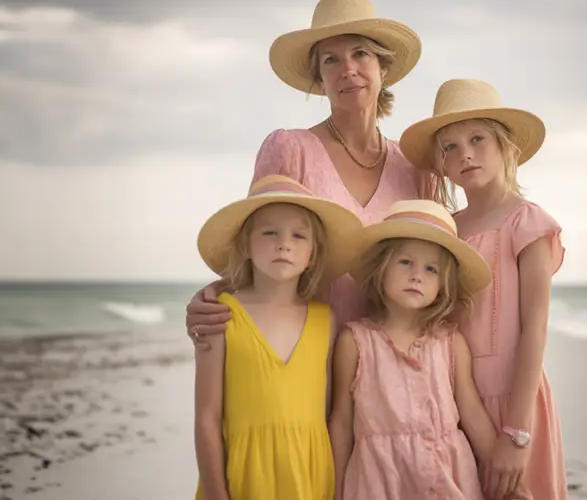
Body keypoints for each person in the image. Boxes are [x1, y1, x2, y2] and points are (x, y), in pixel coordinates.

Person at [185, 0, 433, 347]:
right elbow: (255, 248)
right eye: (331, 60)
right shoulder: (290, 149)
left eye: (360, 53)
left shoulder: (415, 168)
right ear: (320, 78)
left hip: (391, 364)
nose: (347, 69)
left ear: (384, 67)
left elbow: (437, 267)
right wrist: (211, 297)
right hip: (304, 353)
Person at [399, 79, 568, 499]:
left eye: (477, 139)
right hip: (454, 402)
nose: (464, 153)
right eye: (449, 147)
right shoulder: (446, 230)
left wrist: (517, 432)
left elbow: (535, 330)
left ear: (507, 147)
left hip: (515, 400)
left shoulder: (527, 223)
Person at [191, 174, 364, 500]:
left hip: (310, 480)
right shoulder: (221, 316)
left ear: (312, 254)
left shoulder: (324, 320)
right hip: (242, 479)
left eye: (299, 236)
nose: (284, 243)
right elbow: (206, 419)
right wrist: (216, 493)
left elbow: (330, 417)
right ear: (246, 245)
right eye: (269, 232)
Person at [329, 200, 498, 500]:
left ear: (442, 287)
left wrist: (499, 467)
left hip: (448, 476)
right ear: (381, 269)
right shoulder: (355, 341)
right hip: (380, 481)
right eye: (405, 262)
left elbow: (471, 411)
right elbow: (341, 421)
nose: (417, 275)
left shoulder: (450, 343)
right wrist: (336, 489)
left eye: (431, 269)